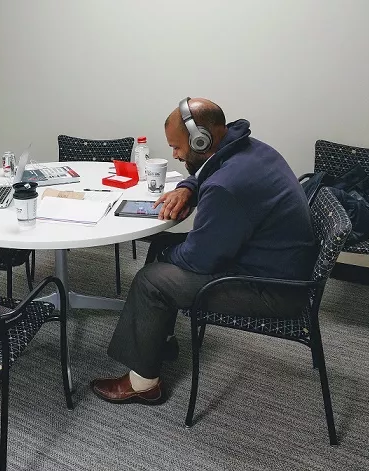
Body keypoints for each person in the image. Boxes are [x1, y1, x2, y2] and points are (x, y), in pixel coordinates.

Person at [91, 97, 316, 404]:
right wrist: (188, 186)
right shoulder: (246, 148)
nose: (174, 154)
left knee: (150, 280)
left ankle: (143, 385)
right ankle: (159, 341)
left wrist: (170, 256)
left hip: (272, 289)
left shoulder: (227, 186)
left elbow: (200, 259)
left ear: (201, 140)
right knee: (161, 247)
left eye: (177, 147)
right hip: (274, 263)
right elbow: (208, 171)